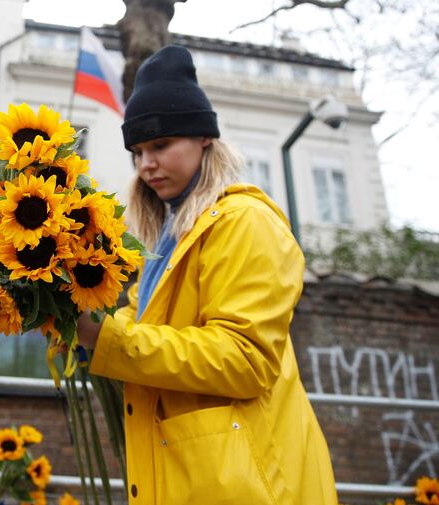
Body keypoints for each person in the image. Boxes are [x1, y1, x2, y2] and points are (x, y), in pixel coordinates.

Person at [77, 46, 338, 504]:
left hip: (249, 485)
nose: (145, 165)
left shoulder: (243, 221)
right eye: (137, 152)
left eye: (160, 145)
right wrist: (73, 318)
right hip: (197, 477)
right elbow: (143, 334)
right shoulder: (166, 237)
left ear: (203, 139)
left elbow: (244, 359)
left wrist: (107, 339)